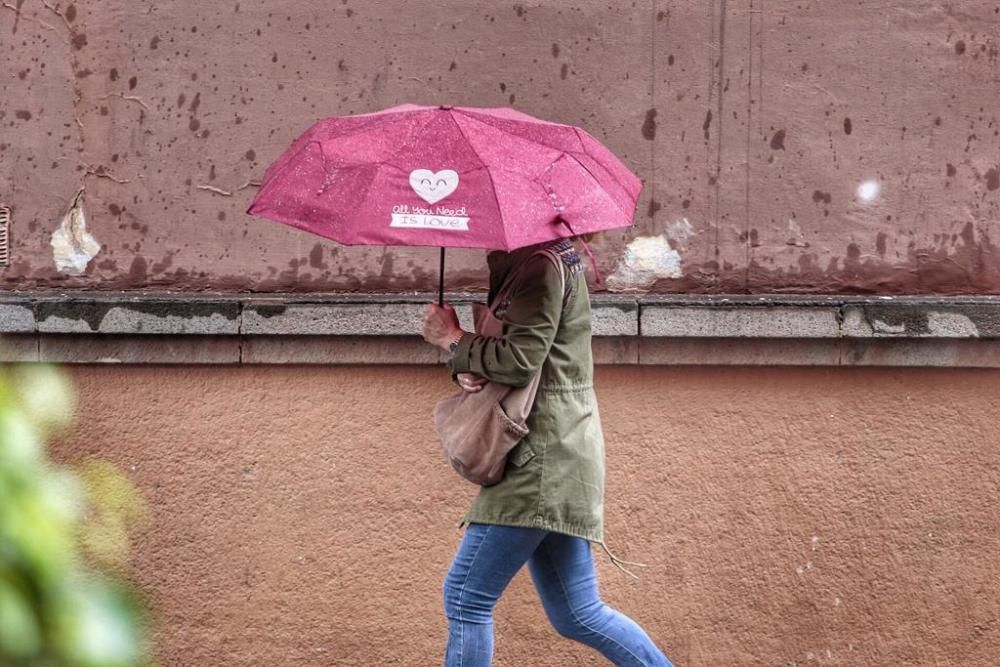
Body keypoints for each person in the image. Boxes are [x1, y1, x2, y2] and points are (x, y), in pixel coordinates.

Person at [421, 237, 673, 667]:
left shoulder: (540, 266)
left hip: (539, 457)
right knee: (578, 613)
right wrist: (468, 367)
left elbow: (521, 360)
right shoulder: (532, 263)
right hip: (555, 451)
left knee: (466, 598)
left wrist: (453, 339)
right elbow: (526, 358)